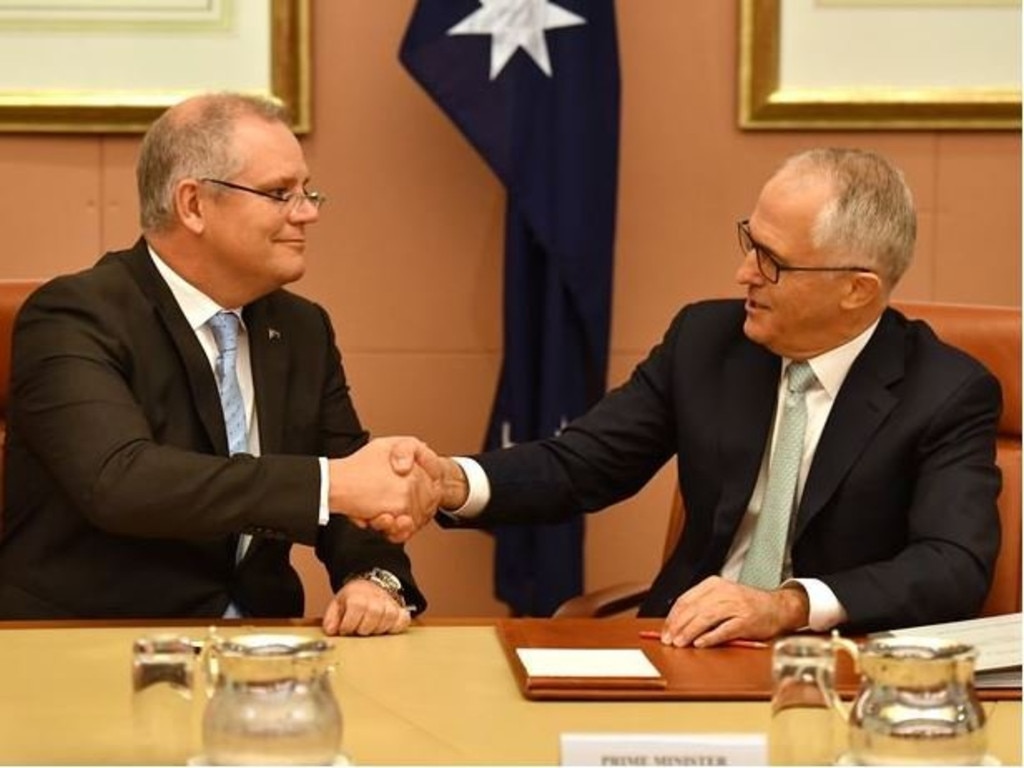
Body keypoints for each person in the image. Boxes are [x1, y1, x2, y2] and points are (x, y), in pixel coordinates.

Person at [422, 148, 1002, 645]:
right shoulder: (706, 341)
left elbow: (951, 565)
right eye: (750, 241)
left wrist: (788, 605)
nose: (743, 273)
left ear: (856, 289)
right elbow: (583, 465)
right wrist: (451, 481)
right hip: (685, 645)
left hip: (834, 668)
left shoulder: (946, 392)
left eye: (771, 261)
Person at [0, 92, 442, 635]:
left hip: (260, 651)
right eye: (280, 193)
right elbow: (122, 482)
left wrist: (374, 577)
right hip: (90, 646)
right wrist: (333, 485)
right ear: (192, 205)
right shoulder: (74, 315)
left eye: (308, 192)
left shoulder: (302, 328)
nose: (307, 213)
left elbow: (352, 487)